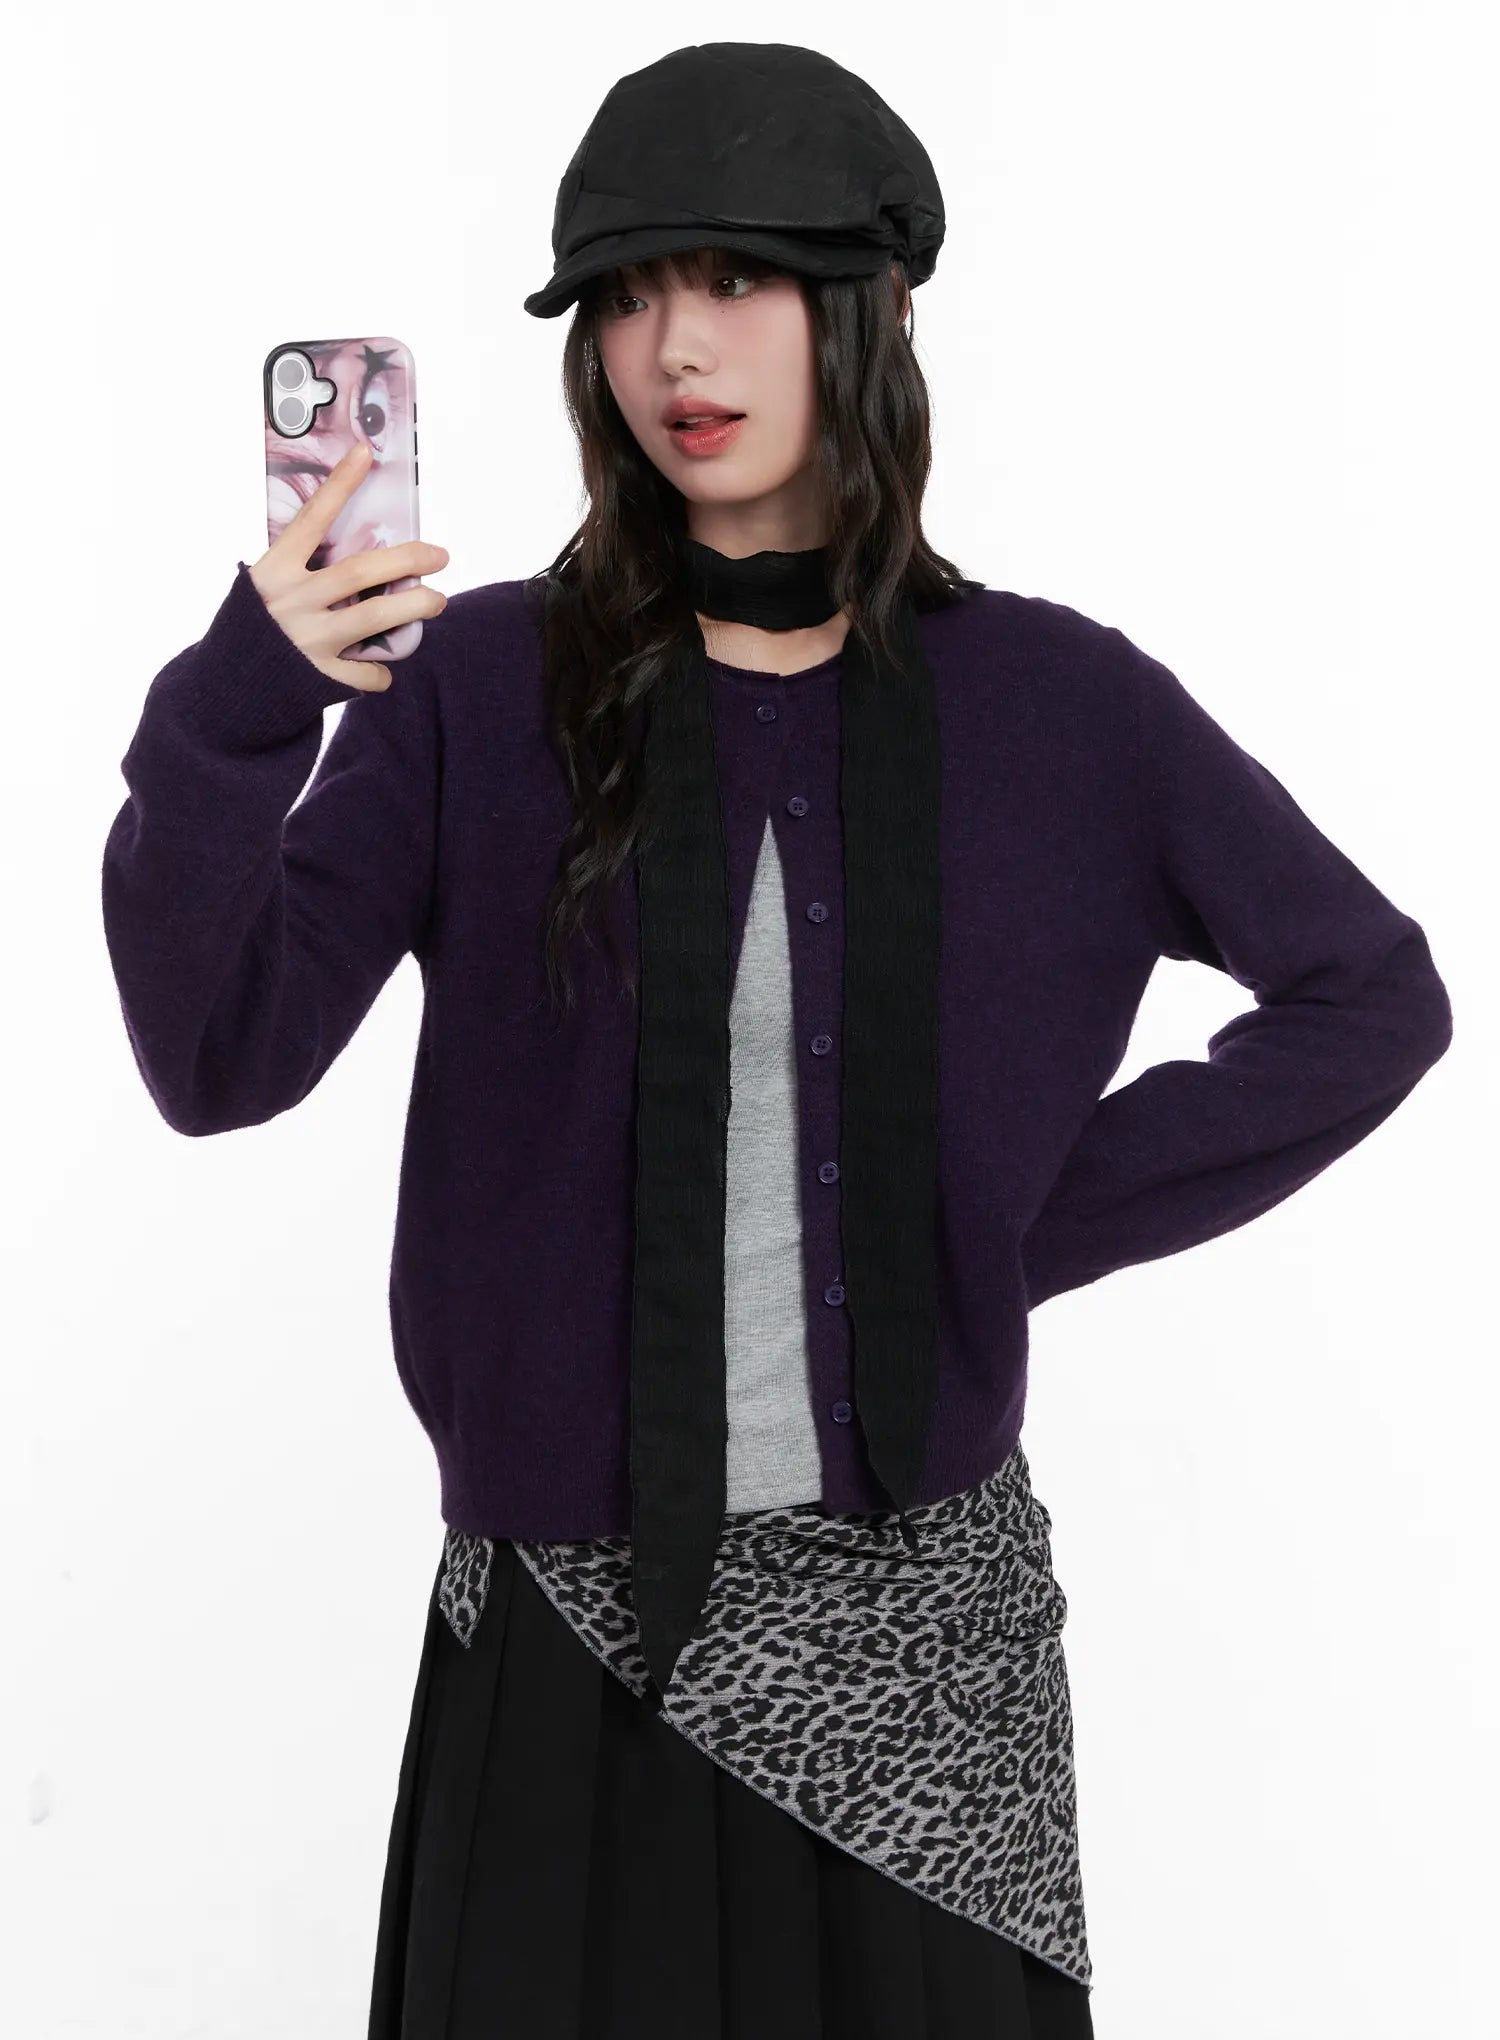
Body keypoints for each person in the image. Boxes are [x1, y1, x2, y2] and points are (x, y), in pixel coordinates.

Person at [101, 41, 1453, 2040]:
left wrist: (996, 1223)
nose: (676, 348)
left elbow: (1371, 998)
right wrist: (240, 708)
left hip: (929, 1668)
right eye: (629, 296)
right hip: (568, 1630)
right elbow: (219, 1057)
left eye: (734, 279)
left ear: (871, 307)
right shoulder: (480, 685)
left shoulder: (1064, 706)